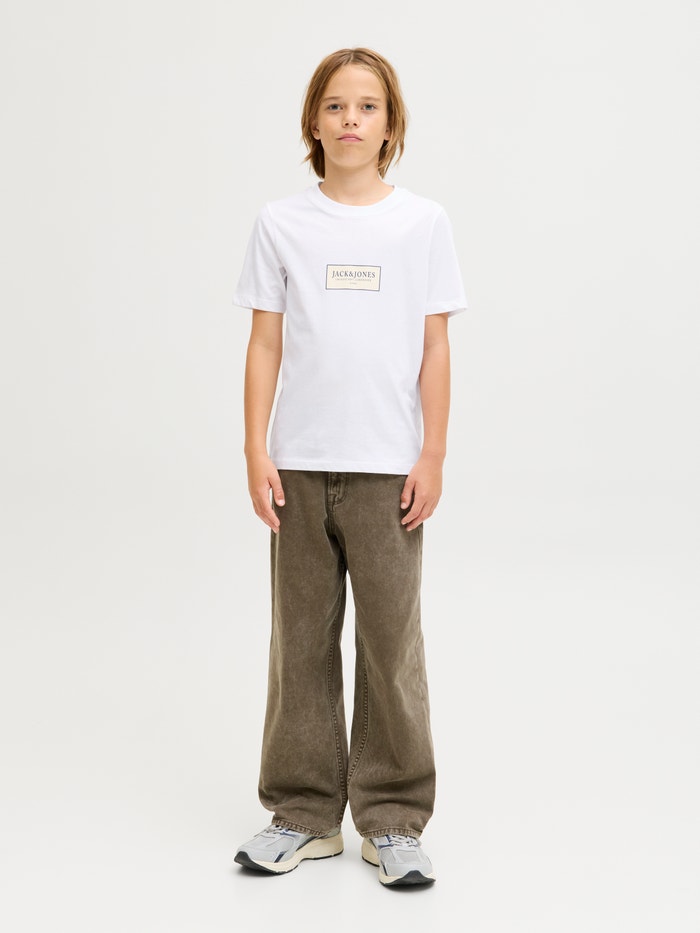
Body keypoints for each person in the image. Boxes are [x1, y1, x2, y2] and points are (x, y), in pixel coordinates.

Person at [232, 47, 467, 887]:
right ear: (314, 121)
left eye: (367, 106)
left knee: (390, 642)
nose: (350, 120)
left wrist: (432, 451)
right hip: (299, 466)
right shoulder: (281, 223)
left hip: (387, 470)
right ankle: (302, 814)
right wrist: (256, 446)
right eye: (335, 105)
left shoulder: (421, 224)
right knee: (298, 642)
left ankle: (394, 819)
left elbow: (435, 347)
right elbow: (265, 342)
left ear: (391, 123)